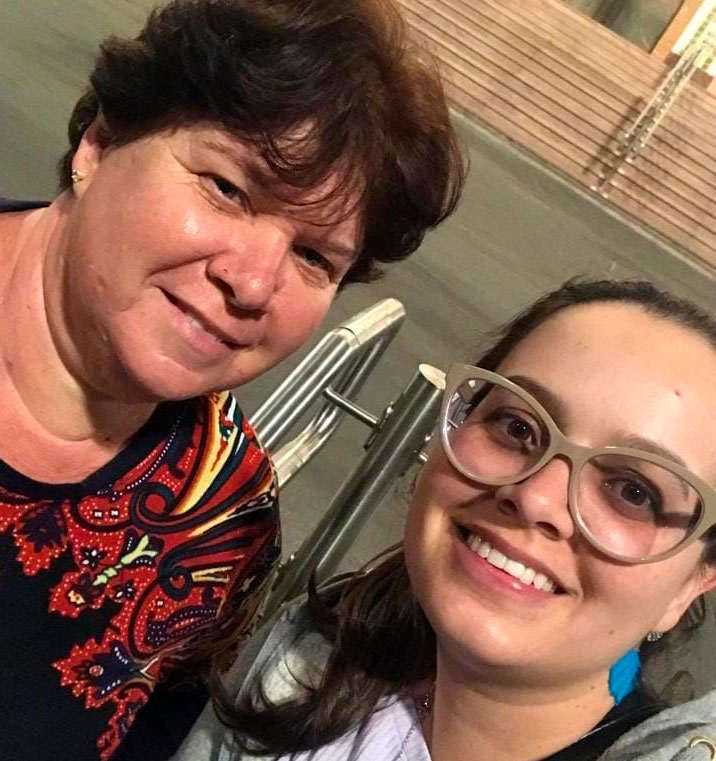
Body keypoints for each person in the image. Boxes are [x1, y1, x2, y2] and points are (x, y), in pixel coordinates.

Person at [0, 0, 465, 758]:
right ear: (100, 142)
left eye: (314, 257)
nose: (252, 283)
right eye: (228, 189)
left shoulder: (222, 526)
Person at [174, 279, 716, 761]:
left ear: (691, 584)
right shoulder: (308, 657)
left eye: (632, 492)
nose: (535, 497)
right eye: (518, 427)